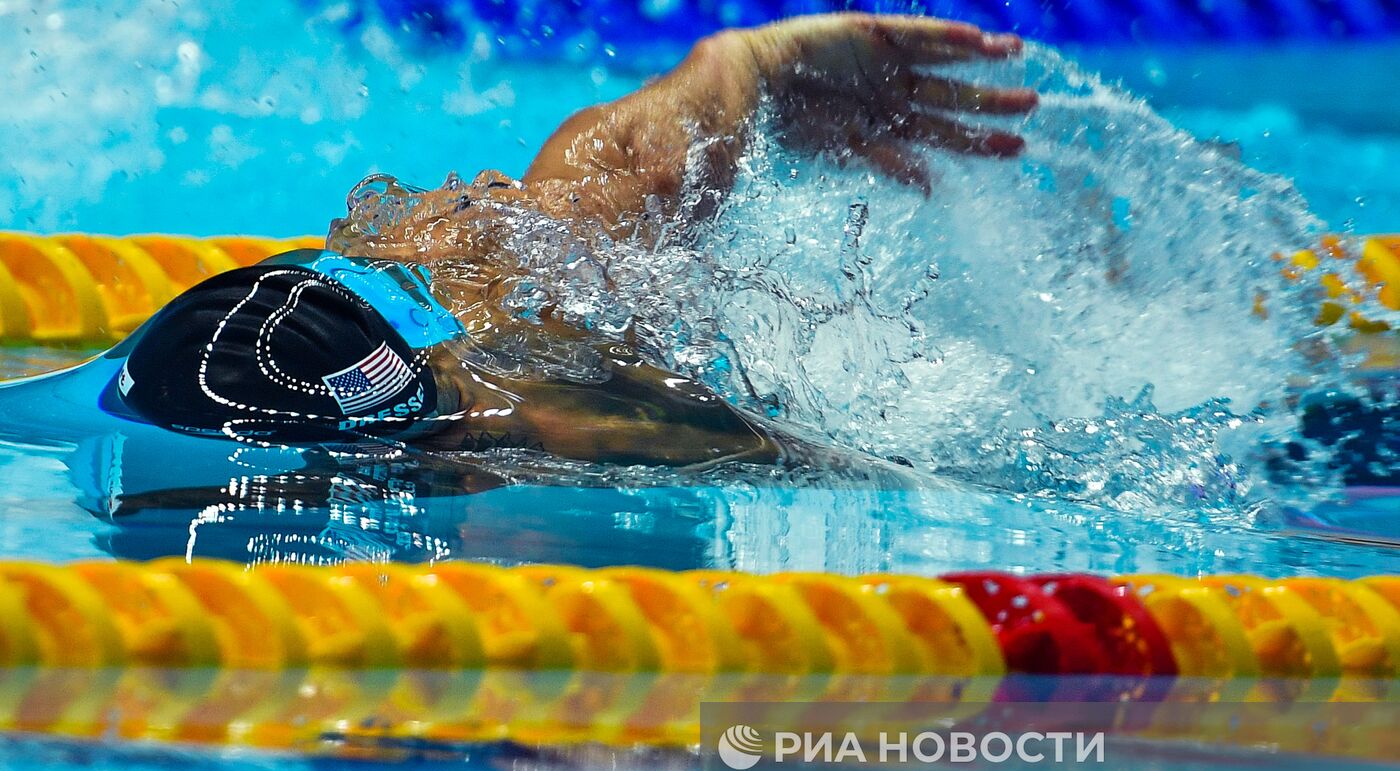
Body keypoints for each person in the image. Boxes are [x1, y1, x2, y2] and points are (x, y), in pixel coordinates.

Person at [109, 13, 1037, 467]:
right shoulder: (513, 380)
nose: (476, 189)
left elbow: (650, 160)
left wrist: (761, 65)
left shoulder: (519, 312)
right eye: (463, 210)